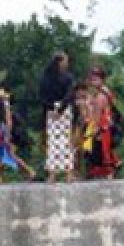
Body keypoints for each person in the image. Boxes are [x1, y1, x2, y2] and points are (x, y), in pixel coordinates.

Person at [39, 51, 75, 183]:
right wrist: (58, 108)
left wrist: (53, 108)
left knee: (56, 142)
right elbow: (70, 94)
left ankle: (54, 174)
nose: (67, 63)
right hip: (60, 110)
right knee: (63, 142)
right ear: (60, 61)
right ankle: (66, 173)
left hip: (53, 111)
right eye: (65, 60)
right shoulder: (67, 77)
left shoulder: (45, 77)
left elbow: (42, 97)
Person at [85, 66, 119, 179]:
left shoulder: (101, 94)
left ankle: (110, 170)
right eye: (92, 79)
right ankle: (111, 166)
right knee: (101, 147)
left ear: (101, 79)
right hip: (106, 122)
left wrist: (95, 126)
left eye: (95, 79)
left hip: (104, 123)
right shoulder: (101, 92)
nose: (92, 82)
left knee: (103, 147)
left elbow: (99, 112)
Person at [0, 86, 35, 180]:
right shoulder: (1, 105)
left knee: (9, 155)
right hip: (2, 131)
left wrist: (7, 135)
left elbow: (9, 121)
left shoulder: (5, 105)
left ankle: (30, 171)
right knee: (2, 155)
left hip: (6, 132)